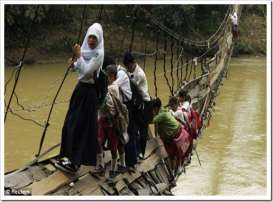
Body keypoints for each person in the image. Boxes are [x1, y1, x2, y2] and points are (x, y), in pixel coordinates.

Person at [56, 23, 104, 173]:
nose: (91, 41)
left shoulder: (99, 54)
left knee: (81, 127)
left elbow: (88, 71)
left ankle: (76, 163)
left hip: (89, 94)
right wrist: (72, 65)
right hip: (79, 90)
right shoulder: (84, 51)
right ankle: (69, 156)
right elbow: (78, 68)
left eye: (94, 38)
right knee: (70, 123)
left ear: (99, 39)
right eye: (89, 37)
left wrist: (78, 57)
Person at [96, 65, 128, 179]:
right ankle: (101, 164)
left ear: (113, 77)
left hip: (112, 122)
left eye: (108, 76)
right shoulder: (108, 87)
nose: (106, 78)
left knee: (115, 146)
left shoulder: (112, 88)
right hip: (104, 120)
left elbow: (103, 100)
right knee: (99, 141)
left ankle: (115, 168)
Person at [152, 98, 193, 177]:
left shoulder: (162, 114)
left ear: (155, 108)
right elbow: (156, 126)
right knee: (174, 154)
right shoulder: (164, 110)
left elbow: (152, 121)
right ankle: (174, 171)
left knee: (175, 154)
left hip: (175, 135)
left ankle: (176, 169)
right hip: (174, 134)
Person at [123, 51, 152, 160]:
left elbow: (130, 85)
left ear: (133, 63)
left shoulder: (139, 74)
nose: (128, 68)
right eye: (126, 66)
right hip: (137, 103)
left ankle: (141, 153)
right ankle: (135, 151)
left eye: (129, 66)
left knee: (143, 130)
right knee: (133, 129)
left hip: (144, 103)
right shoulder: (129, 70)